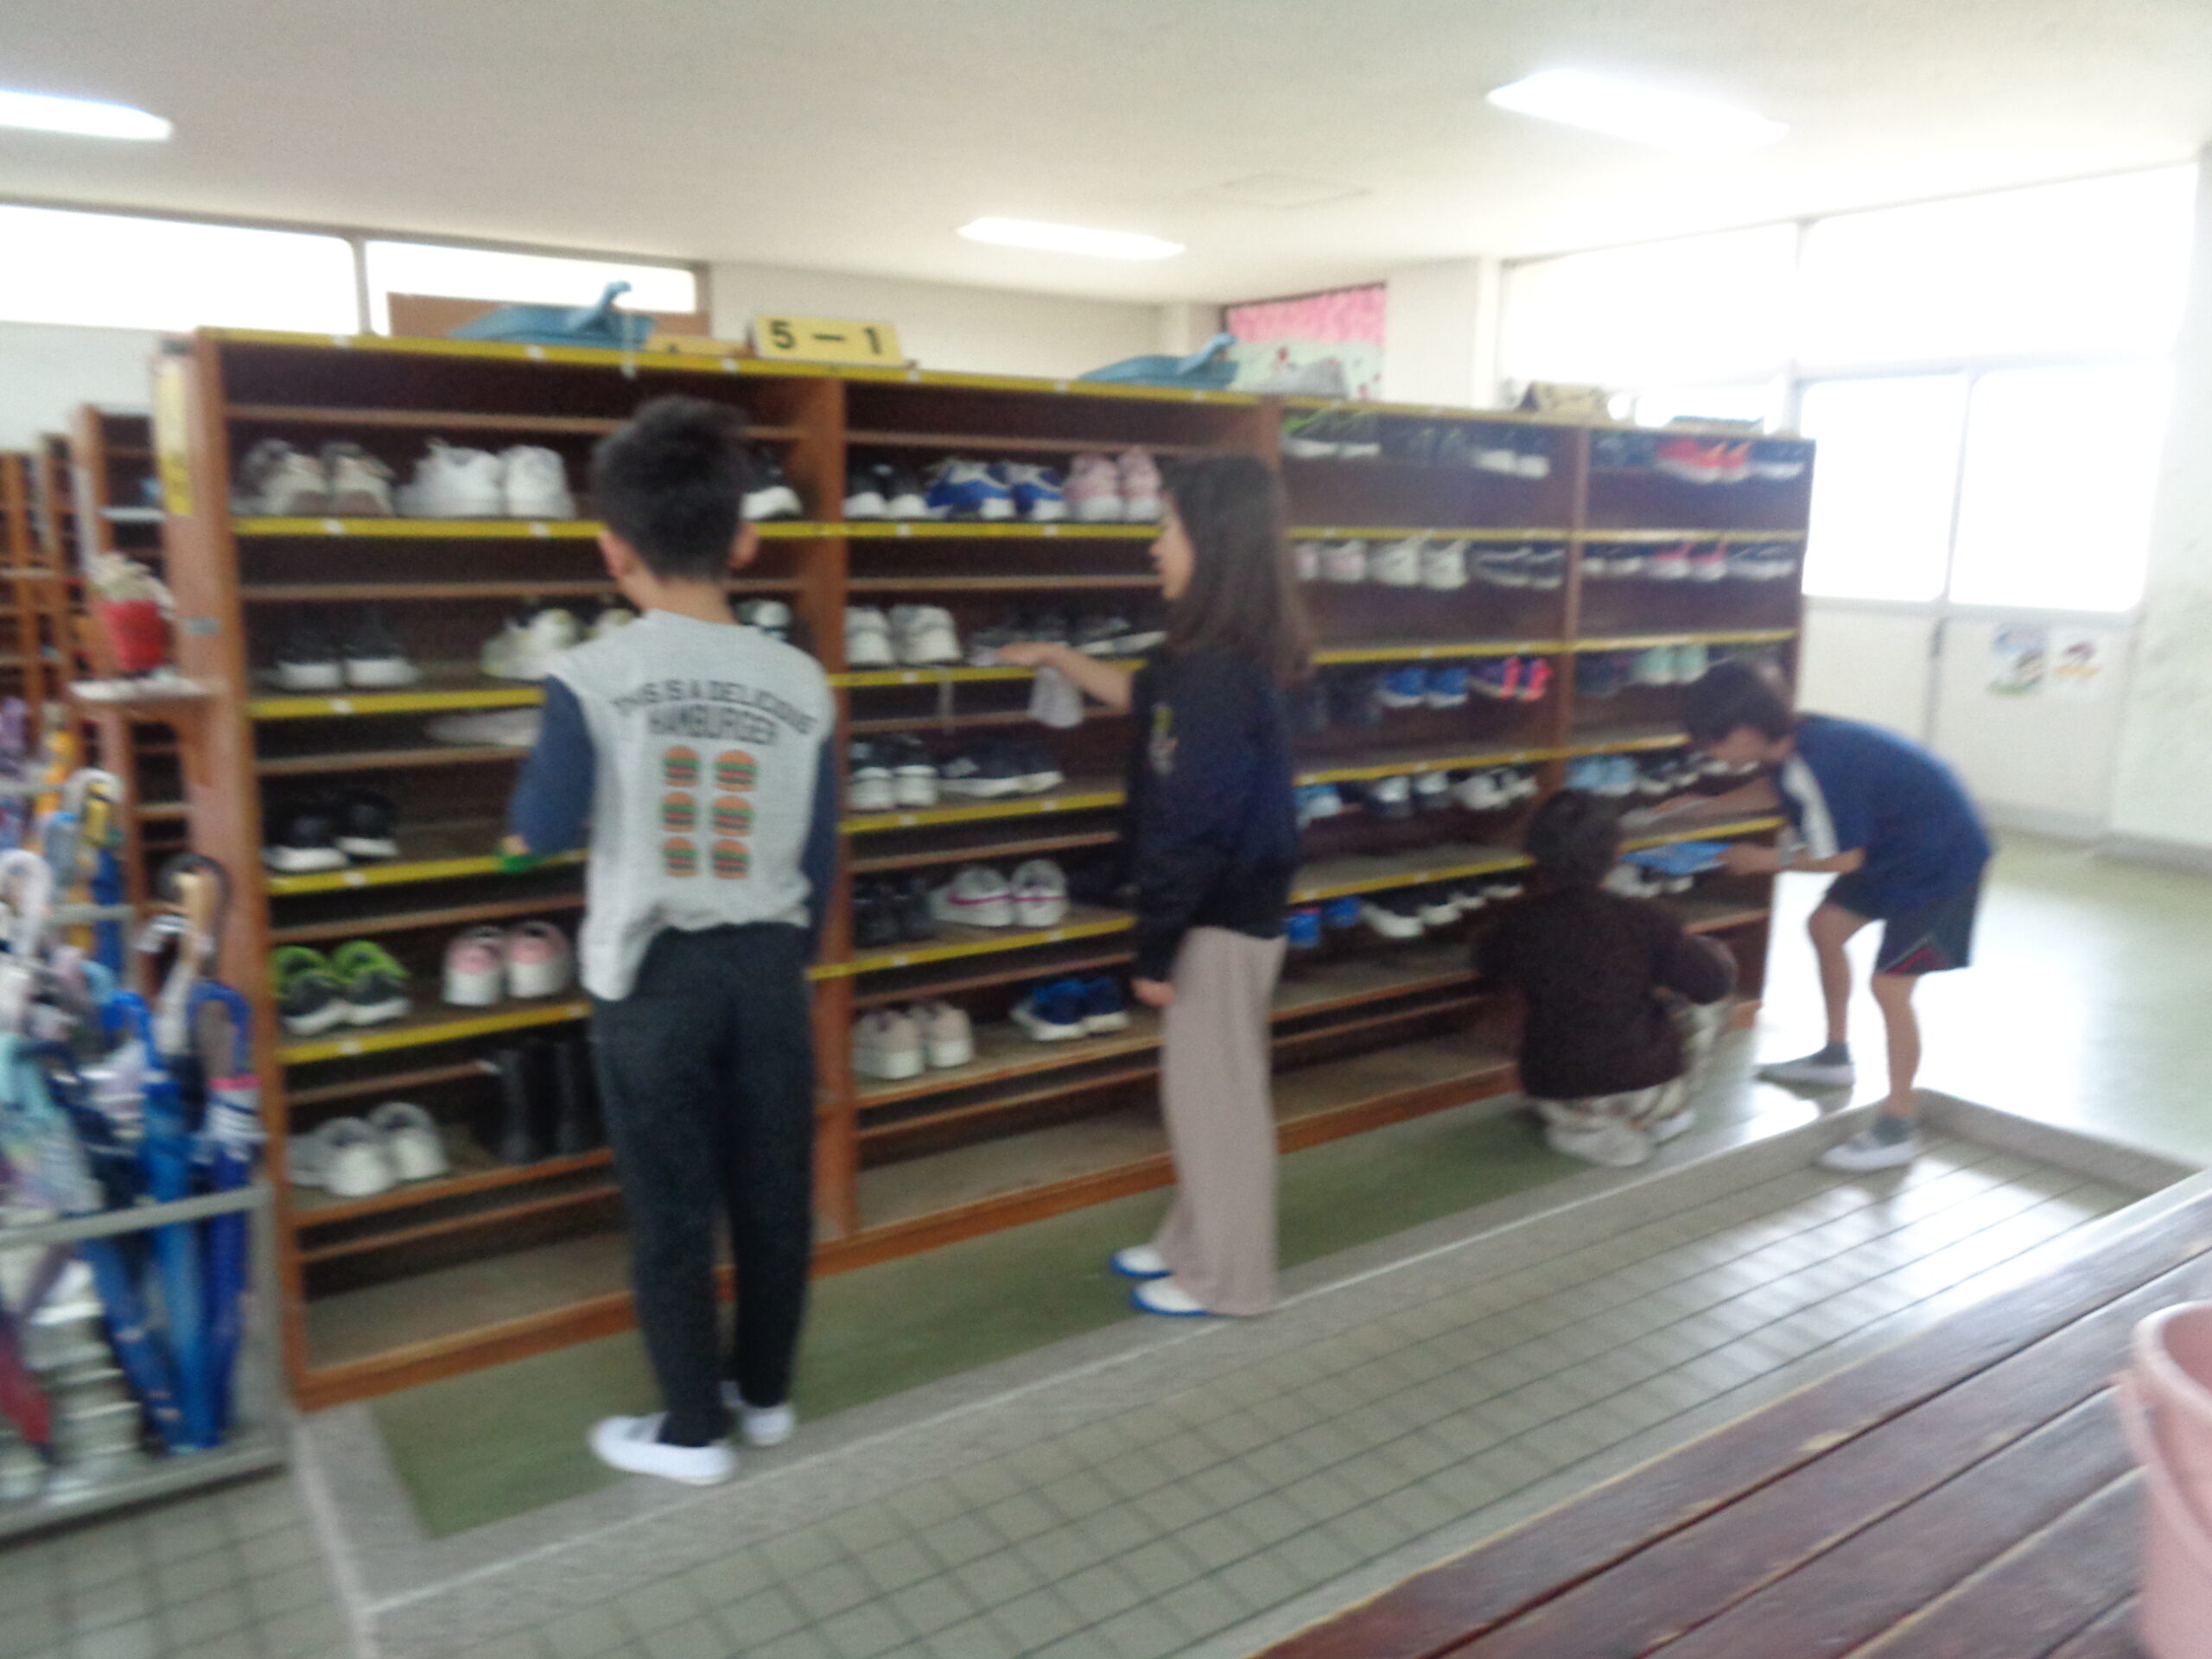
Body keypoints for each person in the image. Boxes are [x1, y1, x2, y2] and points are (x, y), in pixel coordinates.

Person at [505, 396, 837, 1485]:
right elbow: (821, 850)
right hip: (770, 967)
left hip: (653, 979)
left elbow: (544, 828)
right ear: (743, 540)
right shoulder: (802, 680)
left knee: (670, 1209)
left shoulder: (589, 675)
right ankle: (766, 1394)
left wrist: (523, 827)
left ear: (613, 549)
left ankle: (692, 1430)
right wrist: (785, 958)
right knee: (774, 1194)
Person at [997, 454, 1306, 1317]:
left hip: (1218, 915)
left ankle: (1231, 1280)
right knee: (1206, 1092)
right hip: (1228, 909)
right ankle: (1190, 1244)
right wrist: (1060, 656)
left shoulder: (1215, 676)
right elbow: (1145, 699)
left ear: (1212, 544)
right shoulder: (1202, 661)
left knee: (1217, 1103)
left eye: (1166, 527)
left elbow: (1193, 825)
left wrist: (1155, 948)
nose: (1153, 546)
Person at [1672, 660, 1991, 1173]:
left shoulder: (1817, 760)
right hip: (1895, 850)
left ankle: (1898, 1124)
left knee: (1890, 987)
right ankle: (1835, 1057)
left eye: (1713, 741)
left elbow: (1845, 859)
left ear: (1748, 732)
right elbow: (1780, 789)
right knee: (1825, 928)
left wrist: (1764, 860)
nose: (1706, 751)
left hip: (1942, 864)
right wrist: (1704, 808)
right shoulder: (1794, 742)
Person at [1479, 791, 1737, 1168]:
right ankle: (1664, 1115)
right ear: (1618, 852)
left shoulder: (1515, 924)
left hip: (1555, 1092)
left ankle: (1583, 1124)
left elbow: (1488, 970)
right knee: (1713, 967)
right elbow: (1712, 986)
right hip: (1646, 1090)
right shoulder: (1647, 919)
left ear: (1534, 854)